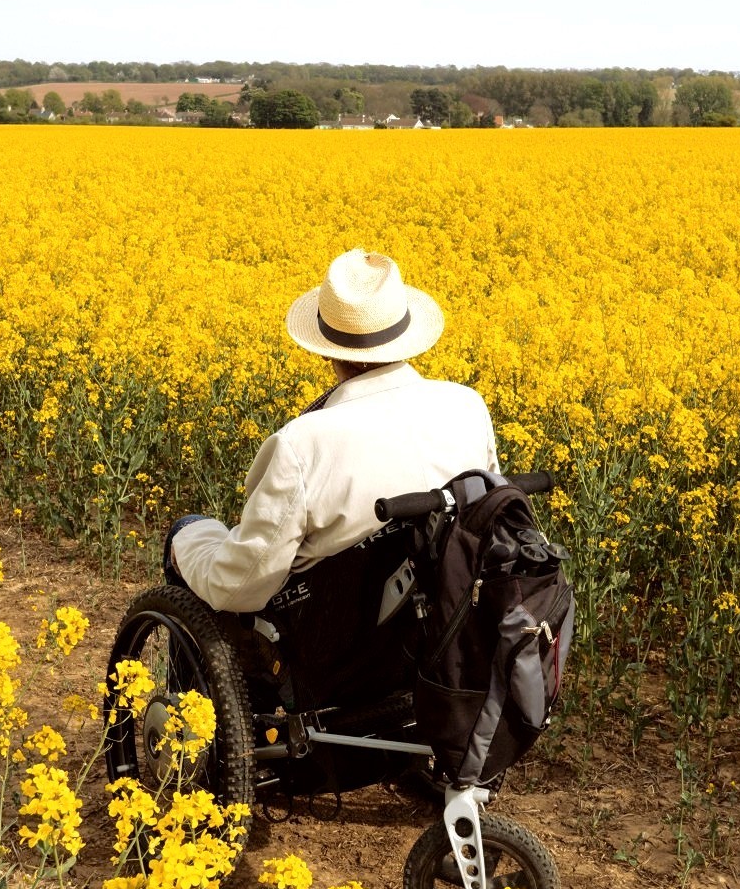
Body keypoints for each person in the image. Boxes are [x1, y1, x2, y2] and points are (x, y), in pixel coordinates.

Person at [167, 248, 500, 615]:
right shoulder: (467, 406)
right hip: (445, 623)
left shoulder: (303, 444)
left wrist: (188, 540)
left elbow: (239, 588)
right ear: (405, 336)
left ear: (326, 351)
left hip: (336, 639)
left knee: (189, 529)